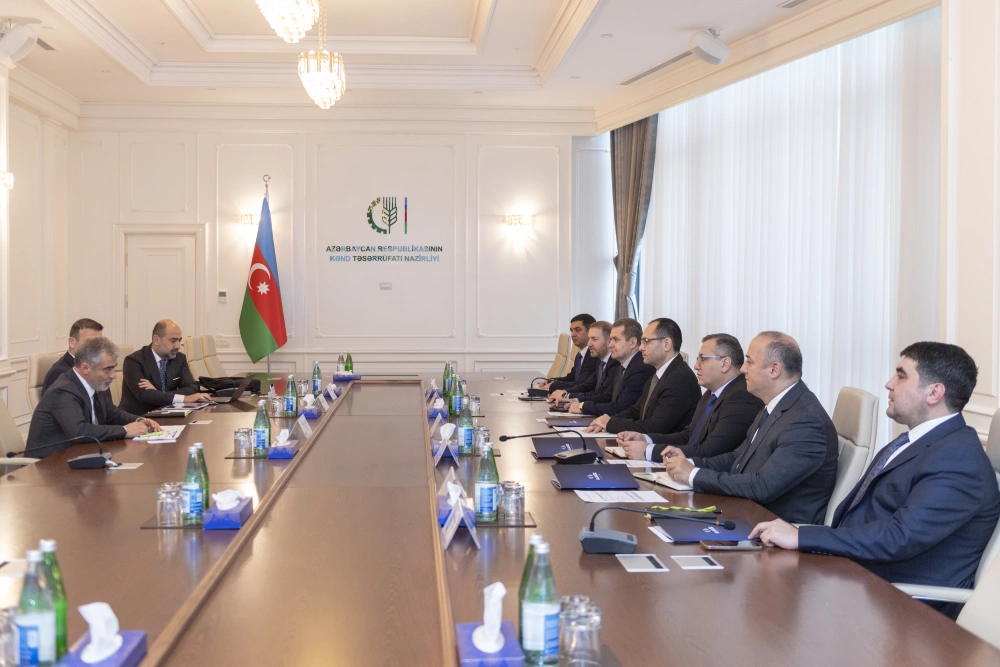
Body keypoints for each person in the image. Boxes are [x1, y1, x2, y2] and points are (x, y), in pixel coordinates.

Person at [750, 342, 1000, 619]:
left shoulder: (958, 459)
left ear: (934, 393)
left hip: (902, 609)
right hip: (856, 576)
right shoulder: (916, 440)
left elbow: (898, 538)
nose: (889, 384)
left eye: (901, 376)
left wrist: (802, 536)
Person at [662, 331, 838, 524]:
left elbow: (762, 486)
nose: (743, 369)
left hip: (774, 527)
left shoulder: (805, 421)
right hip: (747, 513)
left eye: (750, 362)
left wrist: (693, 475)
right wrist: (689, 463)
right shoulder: (775, 406)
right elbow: (737, 459)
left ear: (774, 370)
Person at [616, 333, 763, 461]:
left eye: (703, 359)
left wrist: (648, 451)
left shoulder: (741, 398)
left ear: (725, 363)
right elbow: (689, 436)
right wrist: (646, 439)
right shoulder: (711, 393)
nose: (696, 366)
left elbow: (709, 451)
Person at [25, 337, 160, 458]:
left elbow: (112, 413)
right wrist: (125, 430)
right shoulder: (63, 391)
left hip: (82, 455)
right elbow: (79, 431)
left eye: (113, 368)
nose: (113, 375)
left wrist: (140, 420)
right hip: (50, 464)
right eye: (107, 369)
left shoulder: (94, 383)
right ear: (85, 368)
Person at [584, 318, 700, 435]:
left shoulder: (679, 379)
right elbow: (636, 411)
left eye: (646, 341)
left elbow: (654, 427)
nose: (640, 348)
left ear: (666, 344)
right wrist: (606, 421)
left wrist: (610, 423)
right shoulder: (659, 374)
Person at [555, 318, 653, 417]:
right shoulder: (622, 365)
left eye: (616, 340)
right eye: (611, 340)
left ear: (632, 342)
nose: (610, 345)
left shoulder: (640, 368)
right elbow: (607, 397)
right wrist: (576, 401)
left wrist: (582, 406)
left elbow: (620, 408)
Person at [118, 319, 211, 415]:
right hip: (138, 417)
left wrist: (158, 393)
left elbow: (192, 387)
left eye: (179, 340)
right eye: (173, 340)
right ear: (156, 340)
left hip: (169, 414)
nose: (178, 346)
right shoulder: (134, 361)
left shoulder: (179, 358)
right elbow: (145, 395)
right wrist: (185, 398)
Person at [549, 321, 612, 403]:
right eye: (589, 339)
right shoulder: (601, 362)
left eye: (594, 339)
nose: (589, 344)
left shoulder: (614, 364)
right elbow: (586, 386)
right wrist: (564, 392)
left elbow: (603, 397)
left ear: (609, 342)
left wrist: (567, 396)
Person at [41, 318, 104, 395]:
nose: (96, 347)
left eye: (99, 342)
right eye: (90, 342)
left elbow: (107, 402)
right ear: (72, 342)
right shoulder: (59, 373)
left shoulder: (97, 367)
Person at [538, 314, 598, 392]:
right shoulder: (580, 355)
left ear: (590, 331)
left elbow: (581, 384)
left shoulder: (593, 356)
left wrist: (552, 386)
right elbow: (571, 378)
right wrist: (551, 381)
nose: (573, 334)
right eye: (571, 330)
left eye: (578, 330)